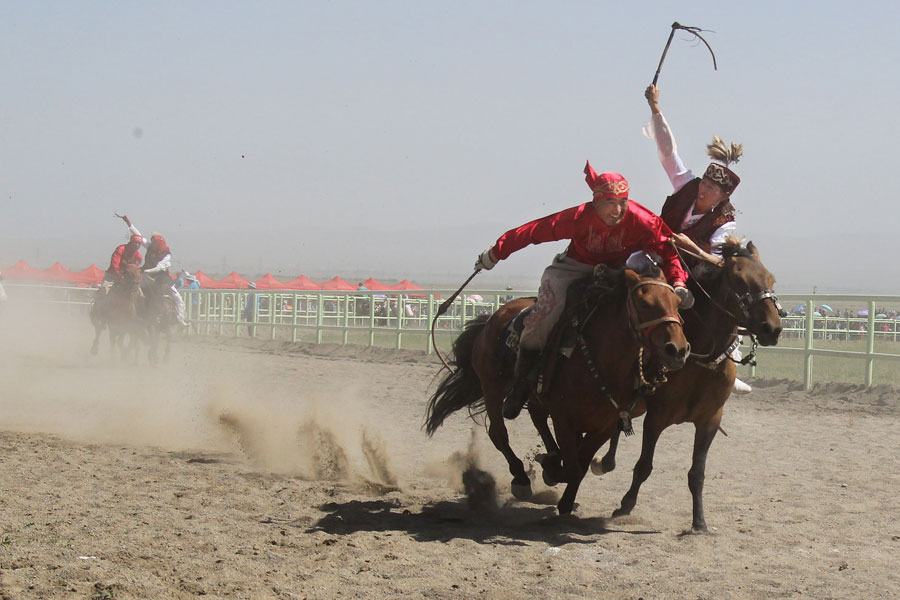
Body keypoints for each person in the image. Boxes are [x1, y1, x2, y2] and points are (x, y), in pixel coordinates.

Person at [475, 162, 692, 420]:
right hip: (571, 270)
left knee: (645, 312)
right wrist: (496, 252)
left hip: (616, 272)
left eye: (622, 202)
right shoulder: (578, 217)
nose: (618, 209)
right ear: (596, 202)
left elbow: (669, 249)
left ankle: (643, 382)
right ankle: (522, 384)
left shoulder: (642, 219)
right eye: (610, 203)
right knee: (547, 314)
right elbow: (533, 231)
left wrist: (679, 283)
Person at [643, 84, 752, 395]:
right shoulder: (685, 185)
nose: (704, 190)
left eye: (712, 189)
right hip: (655, 255)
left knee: (727, 291)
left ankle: (730, 358)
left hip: (693, 271)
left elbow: (720, 259)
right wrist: (655, 109)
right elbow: (668, 152)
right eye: (704, 182)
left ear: (722, 197)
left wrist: (690, 248)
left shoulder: (725, 220)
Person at [121, 215, 188, 326]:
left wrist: (146, 271)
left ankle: (180, 319)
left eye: (153, 241)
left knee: (176, 297)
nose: (152, 242)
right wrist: (128, 223)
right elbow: (139, 236)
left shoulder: (166, 255)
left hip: (161, 278)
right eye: (151, 241)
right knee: (134, 289)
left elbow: (160, 267)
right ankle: (132, 313)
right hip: (147, 277)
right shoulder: (150, 247)